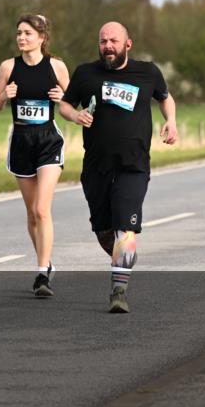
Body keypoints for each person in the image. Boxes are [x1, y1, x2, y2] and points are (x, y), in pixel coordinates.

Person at [58, 21, 177, 314]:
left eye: (113, 41)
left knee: (126, 227)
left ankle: (118, 290)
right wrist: (76, 116)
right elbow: (64, 104)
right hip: (96, 165)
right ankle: (121, 261)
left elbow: (164, 97)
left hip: (133, 164)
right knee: (103, 230)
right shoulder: (85, 73)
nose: (107, 46)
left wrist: (170, 121)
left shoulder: (147, 72)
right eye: (102, 41)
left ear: (128, 44)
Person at [0, 14, 70, 298]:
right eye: (19, 33)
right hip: (22, 142)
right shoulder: (8, 67)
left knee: (41, 209)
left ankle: (41, 273)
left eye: (27, 33)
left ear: (42, 37)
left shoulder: (57, 67)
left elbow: (71, 106)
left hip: (48, 140)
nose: (21, 38)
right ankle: (46, 263)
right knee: (31, 214)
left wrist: (63, 100)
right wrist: (5, 97)